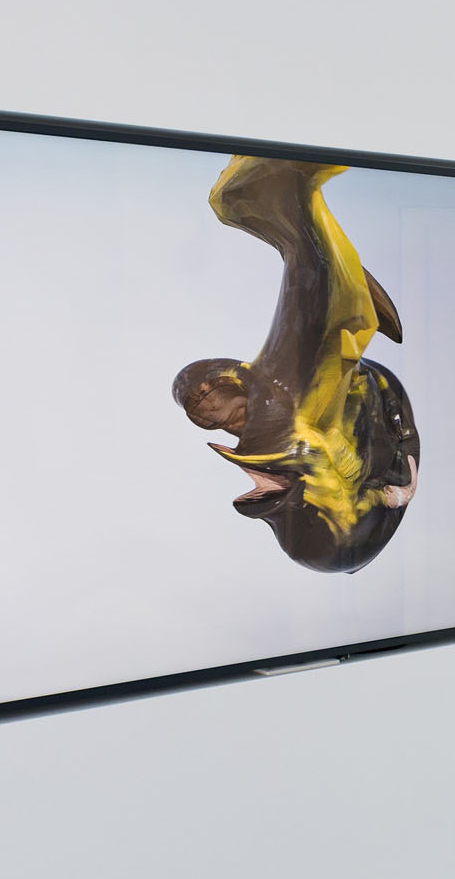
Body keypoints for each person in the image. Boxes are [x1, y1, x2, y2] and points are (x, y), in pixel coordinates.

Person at [171, 157, 420, 573]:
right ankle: (288, 199)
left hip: (322, 426)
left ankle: (284, 201)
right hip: (332, 438)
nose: (230, 422)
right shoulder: (305, 433)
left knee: (308, 287)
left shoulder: (279, 415)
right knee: (315, 298)